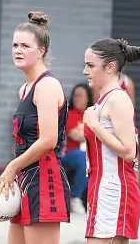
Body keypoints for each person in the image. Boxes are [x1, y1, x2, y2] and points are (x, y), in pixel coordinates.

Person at [0, 11, 70, 244]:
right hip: (25, 177)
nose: (18, 50)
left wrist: (12, 167)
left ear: (41, 51)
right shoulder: (25, 89)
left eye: (25, 45)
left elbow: (48, 141)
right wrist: (15, 171)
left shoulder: (46, 85)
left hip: (45, 179)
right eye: (15, 45)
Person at [83, 38, 140, 243]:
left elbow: (128, 152)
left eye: (91, 65)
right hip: (101, 186)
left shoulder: (118, 99)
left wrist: (95, 125)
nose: (85, 71)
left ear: (110, 67)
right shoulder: (105, 99)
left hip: (114, 188)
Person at [62, 83, 93, 214]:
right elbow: (75, 135)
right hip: (69, 154)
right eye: (75, 95)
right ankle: (75, 197)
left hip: (90, 152)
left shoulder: (93, 114)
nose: (76, 98)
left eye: (80, 96)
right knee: (85, 160)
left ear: (88, 98)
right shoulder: (70, 113)